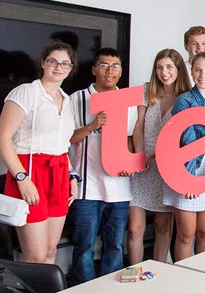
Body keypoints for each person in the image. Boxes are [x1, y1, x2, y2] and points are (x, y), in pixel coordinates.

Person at [0, 41, 78, 263]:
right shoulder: (26, 92)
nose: (59, 67)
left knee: (51, 251)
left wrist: (72, 176)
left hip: (59, 172)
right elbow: (3, 137)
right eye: (53, 61)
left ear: (71, 68)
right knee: (35, 256)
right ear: (43, 63)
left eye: (65, 63)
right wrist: (21, 178)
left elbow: (62, 145)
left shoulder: (67, 99)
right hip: (29, 172)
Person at [68, 48, 137, 283]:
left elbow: (131, 139)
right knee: (84, 244)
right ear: (94, 69)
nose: (110, 71)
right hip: (86, 186)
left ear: (121, 72)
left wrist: (130, 162)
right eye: (104, 65)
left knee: (115, 244)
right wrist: (92, 125)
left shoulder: (128, 101)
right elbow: (66, 139)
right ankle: (85, 286)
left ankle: (111, 288)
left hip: (119, 186)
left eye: (115, 66)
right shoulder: (76, 98)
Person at [128, 49, 191, 263]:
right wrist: (139, 155)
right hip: (144, 165)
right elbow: (138, 127)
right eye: (159, 67)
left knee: (162, 227)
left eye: (169, 67)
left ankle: (158, 270)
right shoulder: (147, 91)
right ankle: (135, 273)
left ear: (178, 69)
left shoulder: (186, 97)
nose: (164, 72)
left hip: (167, 167)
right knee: (135, 229)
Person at [166, 51, 205, 261]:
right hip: (189, 168)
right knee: (186, 234)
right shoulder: (184, 100)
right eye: (198, 70)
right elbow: (187, 142)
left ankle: (202, 275)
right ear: (191, 71)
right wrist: (188, 181)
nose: (203, 75)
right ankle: (182, 279)